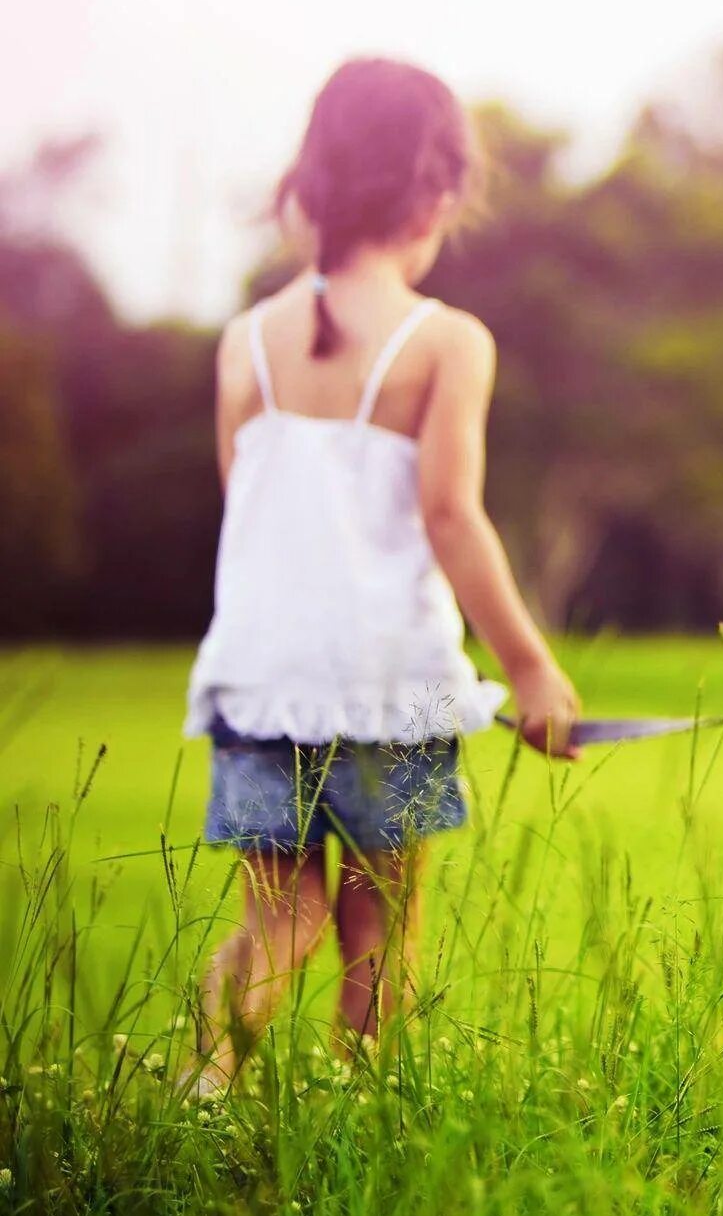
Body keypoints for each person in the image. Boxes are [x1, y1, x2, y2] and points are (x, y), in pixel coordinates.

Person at [186, 57, 581, 1089]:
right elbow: (451, 515)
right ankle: (368, 1117)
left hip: (261, 680)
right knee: (382, 928)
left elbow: (249, 512)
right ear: (438, 196)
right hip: (385, 687)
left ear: (307, 189)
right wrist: (530, 670)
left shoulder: (245, 344)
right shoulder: (446, 341)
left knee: (280, 918)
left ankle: (201, 1090)